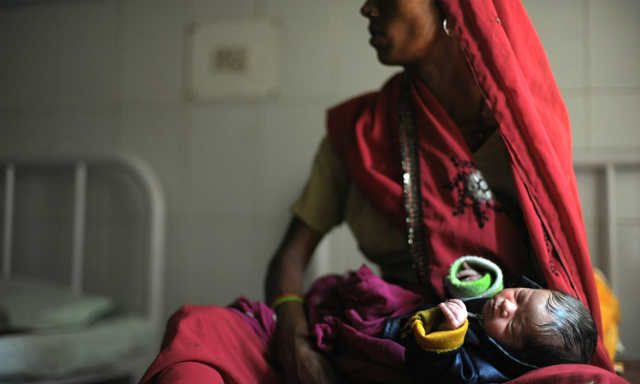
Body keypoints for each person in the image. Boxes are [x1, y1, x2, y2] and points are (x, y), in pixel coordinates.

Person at [139, 0, 625, 383]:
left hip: (496, 350)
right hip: (382, 326)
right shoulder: (360, 132)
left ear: (450, 8)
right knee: (200, 338)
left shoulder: (523, 129)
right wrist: (298, 339)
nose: (367, 8)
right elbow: (289, 258)